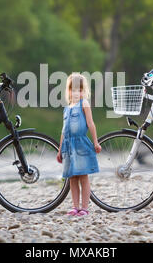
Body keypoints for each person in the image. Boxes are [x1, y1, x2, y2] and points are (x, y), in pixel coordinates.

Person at [57, 73, 101, 216]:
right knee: (72, 177)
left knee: (83, 176)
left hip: (81, 145)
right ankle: (75, 206)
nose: (76, 93)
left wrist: (95, 142)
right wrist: (59, 149)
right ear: (68, 91)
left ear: (84, 91)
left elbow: (90, 123)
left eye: (79, 90)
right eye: (73, 90)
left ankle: (85, 208)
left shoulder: (84, 104)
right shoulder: (67, 108)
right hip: (68, 147)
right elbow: (63, 131)